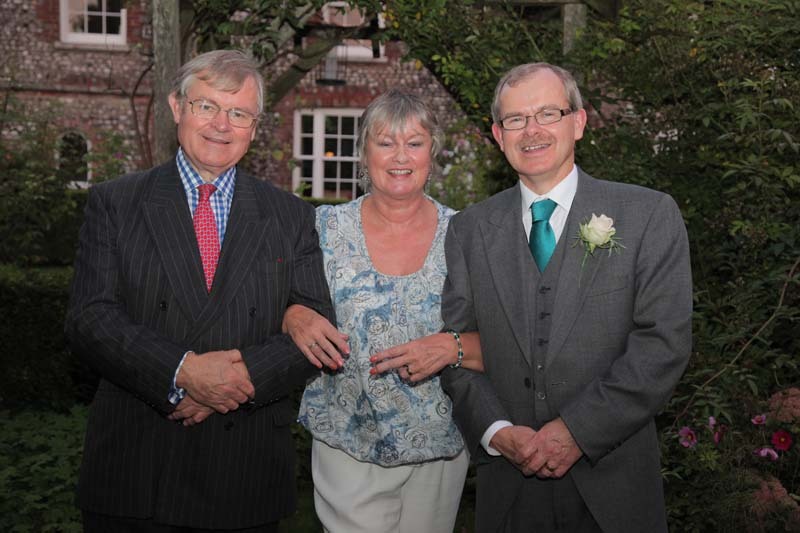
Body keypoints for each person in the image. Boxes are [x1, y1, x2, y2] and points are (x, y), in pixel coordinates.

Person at [65, 49, 334, 532]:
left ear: (254, 128)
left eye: (238, 113)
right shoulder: (117, 202)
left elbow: (316, 327)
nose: (221, 125)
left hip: (243, 467)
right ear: (176, 108)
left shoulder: (291, 215)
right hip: (137, 466)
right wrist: (183, 370)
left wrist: (230, 383)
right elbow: (91, 318)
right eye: (206, 106)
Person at [440, 62, 692, 532]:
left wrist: (577, 431)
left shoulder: (648, 214)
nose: (531, 130)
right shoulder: (469, 229)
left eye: (547, 113)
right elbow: (457, 348)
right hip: (510, 488)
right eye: (515, 119)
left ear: (578, 122)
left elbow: (663, 344)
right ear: (497, 134)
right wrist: (497, 432)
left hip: (614, 483)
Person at [283, 89, 480, 533]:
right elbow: (269, 299)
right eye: (385, 141)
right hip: (345, 439)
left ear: (434, 151)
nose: (400, 156)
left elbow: (507, 338)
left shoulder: (467, 234)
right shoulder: (322, 228)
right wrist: (291, 315)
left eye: (414, 142)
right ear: (363, 152)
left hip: (440, 442)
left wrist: (451, 347)